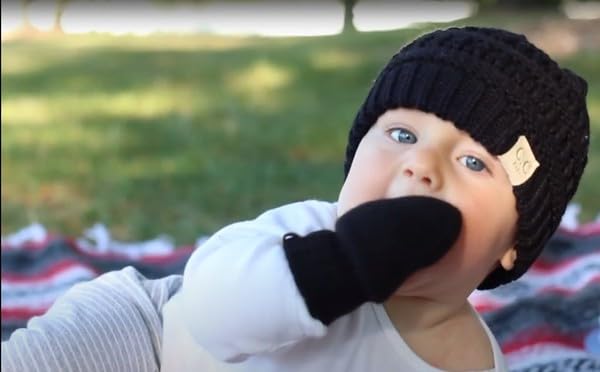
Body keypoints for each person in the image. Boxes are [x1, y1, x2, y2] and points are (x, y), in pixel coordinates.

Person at [1, 26, 590, 372]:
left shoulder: (479, 359)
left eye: (472, 162)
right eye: (403, 135)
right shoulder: (311, 233)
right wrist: (339, 266)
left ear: (513, 245)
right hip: (143, 342)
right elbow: (214, 309)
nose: (421, 165)